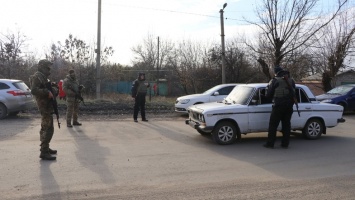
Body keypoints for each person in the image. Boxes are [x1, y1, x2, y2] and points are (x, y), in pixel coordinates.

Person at [29, 59, 58, 160]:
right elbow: (33, 90)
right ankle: (44, 152)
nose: (49, 69)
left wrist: (52, 87)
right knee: (48, 128)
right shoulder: (37, 76)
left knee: (45, 126)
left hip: (47, 104)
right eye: (47, 67)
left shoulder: (43, 77)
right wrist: (47, 92)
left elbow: (44, 87)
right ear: (42, 66)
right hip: (43, 105)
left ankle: (45, 147)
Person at [264, 66, 296, 149]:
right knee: (286, 125)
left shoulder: (274, 81)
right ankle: (285, 143)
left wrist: (265, 96)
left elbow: (269, 95)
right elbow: (293, 91)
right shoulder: (291, 80)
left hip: (278, 106)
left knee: (273, 125)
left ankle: (270, 144)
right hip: (289, 106)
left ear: (276, 73)